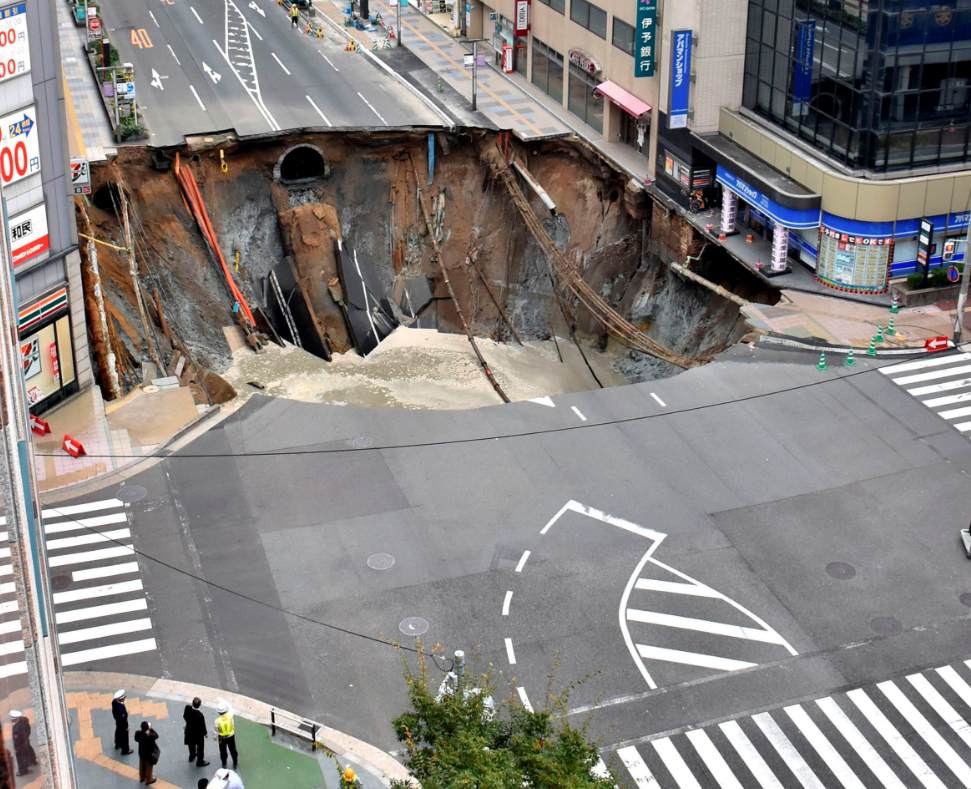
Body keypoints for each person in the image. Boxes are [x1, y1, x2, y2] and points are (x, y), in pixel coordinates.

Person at [183, 697, 210, 767]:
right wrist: (205, 734)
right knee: (200, 748)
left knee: (191, 745)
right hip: (198, 735)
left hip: (189, 732)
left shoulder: (187, 708)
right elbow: (203, 726)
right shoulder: (200, 716)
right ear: (199, 705)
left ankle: (192, 756)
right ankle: (200, 761)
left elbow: (184, 716)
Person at [213, 702, 238, 770]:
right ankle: (235, 763)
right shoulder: (230, 715)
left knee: (223, 752)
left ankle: (224, 764)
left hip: (222, 738)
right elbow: (230, 708)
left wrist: (215, 739)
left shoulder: (217, 721)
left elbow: (215, 731)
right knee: (233, 750)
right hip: (231, 736)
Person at [10, 711, 36, 777]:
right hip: (25, 740)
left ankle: (23, 771)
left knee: (20, 758)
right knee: (28, 749)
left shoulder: (16, 728)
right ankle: (33, 760)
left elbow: (16, 740)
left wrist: (16, 749)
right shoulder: (24, 720)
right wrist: (26, 737)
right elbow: (28, 729)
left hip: (20, 745)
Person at [134, 720, 159, 785]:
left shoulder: (137, 733)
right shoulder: (150, 736)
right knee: (149, 766)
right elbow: (156, 735)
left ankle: (142, 777)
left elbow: (136, 739)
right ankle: (149, 780)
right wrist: (151, 729)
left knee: (142, 765)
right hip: (148, 754)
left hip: (141, 752)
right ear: (148, 727)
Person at [112, 690, 133, 755]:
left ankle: (117, 744)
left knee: (118, 732)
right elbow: (123, 719)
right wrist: (126, 727)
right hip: (122, 724)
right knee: (124, 737)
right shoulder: (121, 709)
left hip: (118, 721)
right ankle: (125, 750)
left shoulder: (114, 702)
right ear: (121, 699)